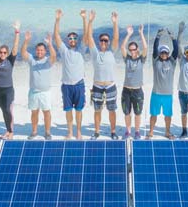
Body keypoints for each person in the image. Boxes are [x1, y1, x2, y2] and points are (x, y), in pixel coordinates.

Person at [83, 10, 120, 139]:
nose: (103, 42)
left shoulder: (111, 52)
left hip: (110, 86)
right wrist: (90, 21)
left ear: (108, 42)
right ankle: (97, 132)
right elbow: (89, 37)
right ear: (99, 42)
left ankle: (113, 132)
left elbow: (116, 38)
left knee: (112, 110)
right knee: (97, 110)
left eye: (105, 41)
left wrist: (115, 23)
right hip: (97, 86)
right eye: (102, 41)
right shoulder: (95, 53)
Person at [53, 9, 89, 140]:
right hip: (66, 86)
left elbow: (86, 35)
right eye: (70, 38)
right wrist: (57, 20)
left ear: (77, 40)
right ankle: (69, 132)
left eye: (74, 38)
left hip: (79, 85)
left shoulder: (81, 49)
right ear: (68, 40)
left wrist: (84, 18)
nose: (72, 40)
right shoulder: (64, 51)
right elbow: (56, 36)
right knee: (68, 110)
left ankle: (78, 132)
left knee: (79, 110)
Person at [20, 29, 57, 139]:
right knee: (34, 112)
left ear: (45, 51)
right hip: (33, 92)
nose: (39, 52)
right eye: (38, 50)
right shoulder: (32, 60)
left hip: (45, 92)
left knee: (47, 113)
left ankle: (47, 132)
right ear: (35, 51)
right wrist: (26, 41)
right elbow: (23, 53)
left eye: (41, 50)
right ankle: (34, 131)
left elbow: (54, 55)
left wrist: (50, 44)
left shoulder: (48, 61)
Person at [0, 19, 20, 139]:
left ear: (7, 53)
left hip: (8, 90)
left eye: (4, 52)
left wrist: (17, 31)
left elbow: (15, 46)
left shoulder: (10, 60)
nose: (2, 54)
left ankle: (11, 132)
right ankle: (8, 130)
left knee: (7, 110)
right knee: (4, 110)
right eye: (1, 52)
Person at [148, 27, 178, 139]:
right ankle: (151, 132)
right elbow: (154, 49)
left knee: (168, 115)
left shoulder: (172, 62)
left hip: (168, 95)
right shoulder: (156, 61)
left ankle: (167, 132)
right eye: (162, 52)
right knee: (153, 114)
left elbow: (176, 50)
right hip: (156, 94)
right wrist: (158, 36)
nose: (164, 54)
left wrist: (173, 38)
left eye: (165, 52)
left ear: (168, 53)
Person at [120, 25, 147, 139]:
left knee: (137, 113)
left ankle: (137, 131)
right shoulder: (127, 59)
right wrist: (129, 34)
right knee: (127, 113)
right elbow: (122, 47)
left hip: (137, 91)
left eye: (134, 49)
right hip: (126, 90)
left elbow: (145, 47)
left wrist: (141, 33)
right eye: (130, 50)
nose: (132, 51)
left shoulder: (141, 59)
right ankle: (128, 131)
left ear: (137, 49)